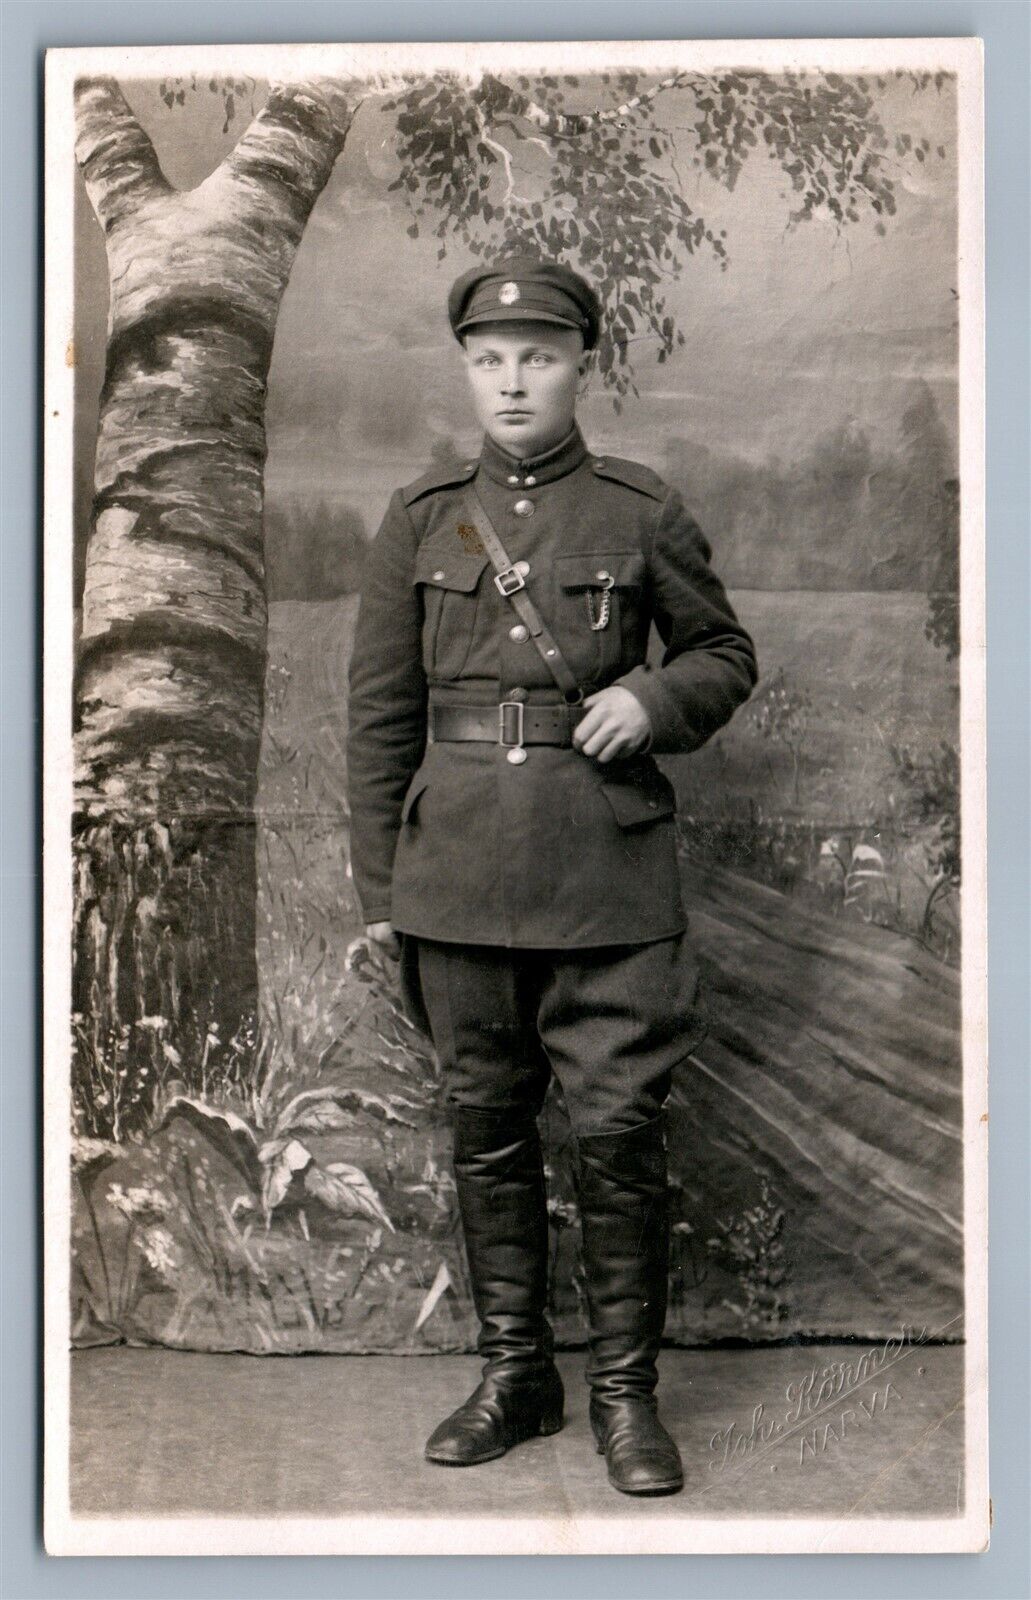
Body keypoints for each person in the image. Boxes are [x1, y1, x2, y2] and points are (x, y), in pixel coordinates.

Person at [347, 254, 758, 1496]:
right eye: (489, 359)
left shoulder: (638, 510)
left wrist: (651, 700)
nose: (513, 380)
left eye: (537, 356)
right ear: (466, 371)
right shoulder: (420, 520)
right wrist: (383, 899)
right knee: (485, 1126)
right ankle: (515, 1374)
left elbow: (722, 652)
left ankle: (625, 1396)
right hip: (456, 878)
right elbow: (378, 719)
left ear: (582, 364)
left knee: (617, 1132)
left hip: (606, 878)